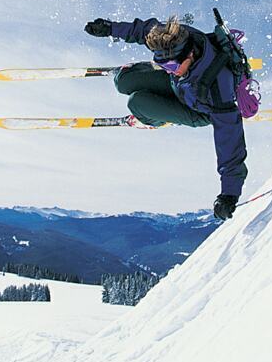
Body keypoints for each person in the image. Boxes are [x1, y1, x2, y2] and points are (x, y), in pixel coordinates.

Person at [84, 15, 246, 220]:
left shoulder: (218, 90)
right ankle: (135, 73)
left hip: (196, 108)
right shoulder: (178, 37)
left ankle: (156, 118)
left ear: (190, 55)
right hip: (181, 85)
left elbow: (230, 142)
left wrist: (229, 194)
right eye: (162, 64)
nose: (169, 69)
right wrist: (109, 28)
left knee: (136, 103)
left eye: (170, 66)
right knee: (122, 80)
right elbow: (144, 29)